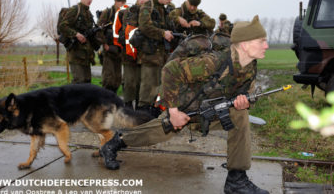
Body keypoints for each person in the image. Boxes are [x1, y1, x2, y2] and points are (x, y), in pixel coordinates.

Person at [100, 15, 270, 194]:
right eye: (261, 41)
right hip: (186, 109)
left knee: (239, 115)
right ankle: (114, 143)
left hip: (212, 111)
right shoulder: (212, 62)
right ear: (244, 44)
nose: (266, 46)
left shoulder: (249, 67)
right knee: (156, 132)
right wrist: (173, 113)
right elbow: (170, 71)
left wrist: (244, 102)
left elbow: (248, 93)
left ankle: (237, 180)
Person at [136, 0, 176, 115]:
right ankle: (141, 117)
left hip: (161, 56)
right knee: (147, 88)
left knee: (158, 88)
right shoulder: (148, 6)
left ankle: (152, 115)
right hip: (149, 55)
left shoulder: (164, 9)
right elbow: (144, 26)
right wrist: (162, 33)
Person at [59, 0, 97, 84]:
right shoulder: (75, 10)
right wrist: (76, 34)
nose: (90, 0)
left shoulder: (89, 14)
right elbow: (62, 26)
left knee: (87, 82)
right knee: (78, 82)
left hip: (86, 55)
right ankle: (71, 99)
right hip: (76, 53)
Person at [121, 0, 150, 109]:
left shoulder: (150, 12)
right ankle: (127, 107)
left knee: (140, 83)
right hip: (129, 52)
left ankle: (139, 108)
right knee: (129, 82)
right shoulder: (129, 11)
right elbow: (126, 29)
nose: (142, 0)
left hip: (143, 55)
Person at [98, 0, 127, 93]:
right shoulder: (108, 12)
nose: (122, 4)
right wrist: (104, 45)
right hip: (109, 50)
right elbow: (99, 30)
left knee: (117, 79)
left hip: (119, 51)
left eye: (123, 2)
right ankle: (105, 101)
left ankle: (112, 100)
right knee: (108, 79)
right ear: (115, 2)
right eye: (119, 1)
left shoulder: (125, 14)